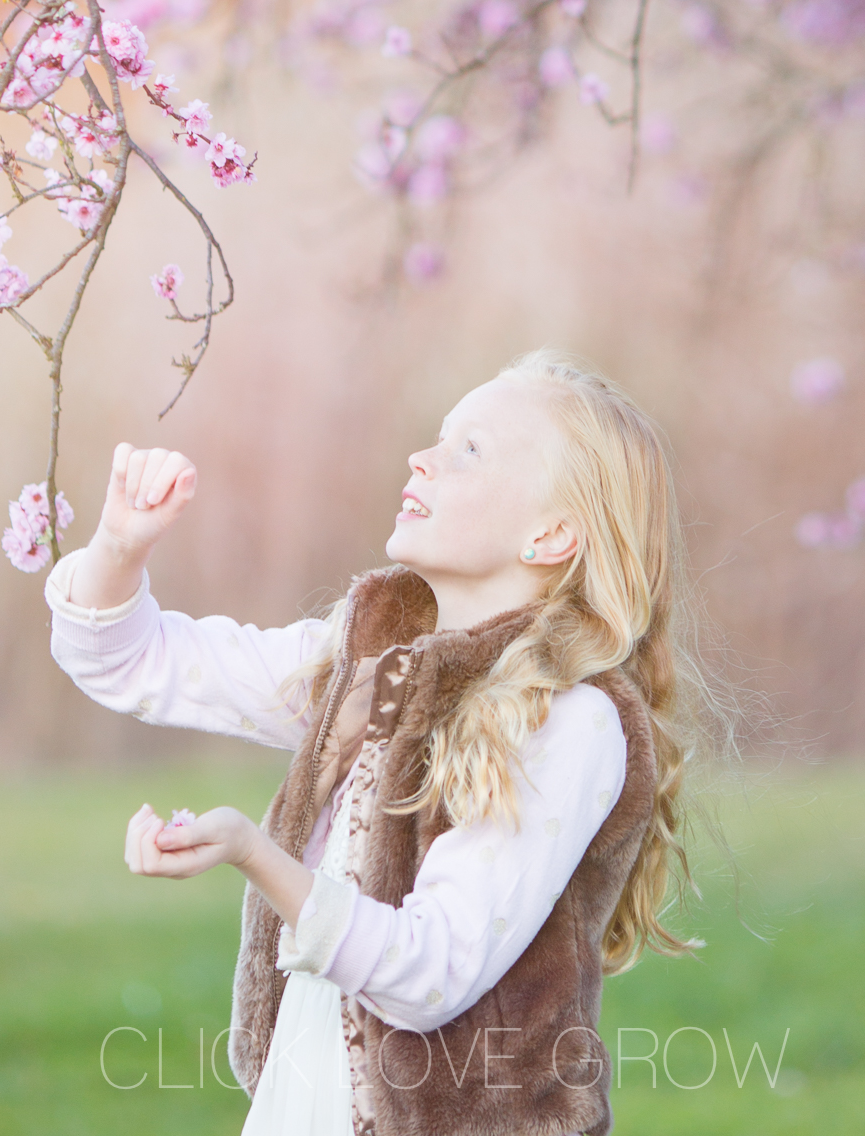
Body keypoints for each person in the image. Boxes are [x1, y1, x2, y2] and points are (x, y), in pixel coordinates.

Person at [46, 350, 707, 1136]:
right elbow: (131, 661)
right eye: (438, 437)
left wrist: (253, 852)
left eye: (469, 450)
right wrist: (120, 548)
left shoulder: (566, 719)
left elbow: (428, 973)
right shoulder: (366, 672)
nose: (420, 459)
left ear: (551, 533)